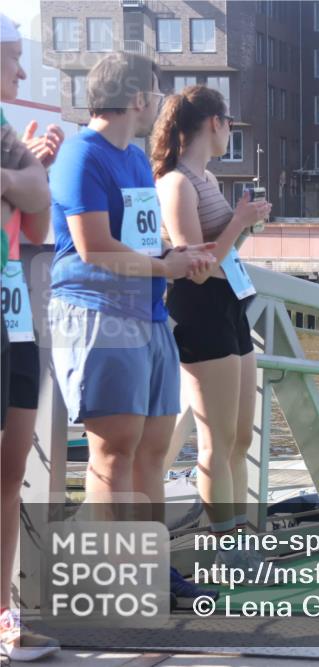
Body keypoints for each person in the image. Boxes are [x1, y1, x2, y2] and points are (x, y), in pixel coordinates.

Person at [46, 52, 217, 601]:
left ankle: (150, 568)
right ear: (139, 97)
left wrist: (175, 255)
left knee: (152, 449)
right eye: (156, 93)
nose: (160, 104)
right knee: (114, 449)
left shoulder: (137, 161)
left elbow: (139, 242)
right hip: (99, 313)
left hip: (147, 315)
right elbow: (93, 246)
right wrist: (163, 265)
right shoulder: (80, 154)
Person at [150, 84, 271, 576]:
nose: (230, 135)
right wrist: (238, 221)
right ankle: (225, 545)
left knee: (241, 436)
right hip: (199, 305)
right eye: (229, 126)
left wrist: (244, 224)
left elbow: (220, 249)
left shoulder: (207, 177)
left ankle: (241, 534)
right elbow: (193, 263)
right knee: (216, 439)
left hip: (230, 303)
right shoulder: (177, 182)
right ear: (213, 123)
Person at [0, 13, 62, 661]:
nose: (21, 71)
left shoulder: (6, 132)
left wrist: (19, 179)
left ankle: (4, 615)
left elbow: (39, 208)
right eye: (13, 57)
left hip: (15, 305)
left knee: (11, 467)